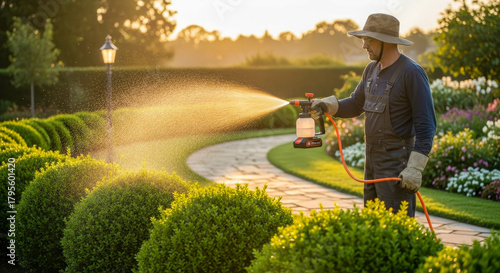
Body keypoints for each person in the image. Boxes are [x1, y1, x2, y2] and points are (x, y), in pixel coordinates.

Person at [310, 13, 437, 217]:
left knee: (396, 226)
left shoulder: (411, 73)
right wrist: (328, 106)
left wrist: (415, 168)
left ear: (386, 42)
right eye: (363, 40)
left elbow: (427, 126)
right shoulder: (371, 70)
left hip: (397, 163)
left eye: (369, 40)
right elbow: (355, 104)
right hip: (372, 161)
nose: (364, 46)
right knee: (372, 222)